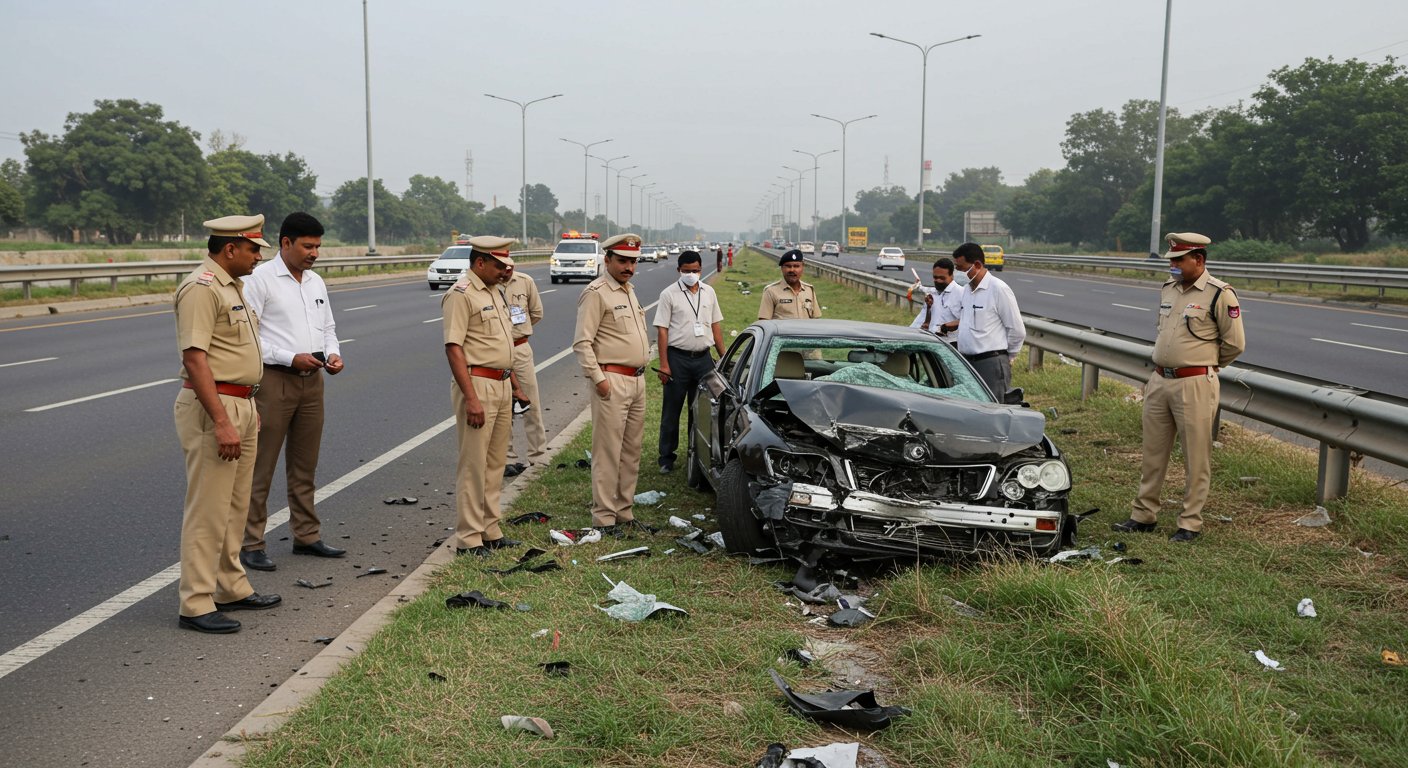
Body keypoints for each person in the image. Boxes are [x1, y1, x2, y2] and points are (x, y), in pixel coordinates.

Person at [172, 214, 282, 634]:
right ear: (230, 248)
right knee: (208, 508)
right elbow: (195, 358)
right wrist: (221, 420)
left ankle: (230, 585)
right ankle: (196, 602)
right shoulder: (201, 288)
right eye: (254, 249)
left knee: (235, 505)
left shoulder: (232, 287)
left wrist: (247, 406)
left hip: (241, 404)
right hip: (214, 406)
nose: (259, 256)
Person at [1114, 232, 1245, 543]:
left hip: (1195, 383)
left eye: (1178, 260)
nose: (1172, 266)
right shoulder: (1169, 290)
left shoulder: (1219, 294)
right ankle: (1143, 514)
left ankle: (1190, 522)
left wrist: (1204, 367)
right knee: (1152, 452)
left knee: (1196, 456)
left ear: (1198, 260)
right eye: (1170, 260)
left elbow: (1235, 344)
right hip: (1160, 379)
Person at [238, 212, 345, 572]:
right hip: (274, 379)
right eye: (307, 246)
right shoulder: (260, 280)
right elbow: (251, 338)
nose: (314, 253)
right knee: (261, 466)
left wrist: (333, 353)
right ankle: (251, 542)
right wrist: (289, 357)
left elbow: (328, 326)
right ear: (285, 243)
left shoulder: (315, 282)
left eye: (318, 246)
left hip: (312, 380)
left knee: (305, 464)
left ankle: (307, 535)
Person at [442, 236, 527, 557]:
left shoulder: (495, 291)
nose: (505, 271)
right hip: (478, 385)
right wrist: (472, 399)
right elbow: (454, 348)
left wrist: (516, 385)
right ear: (480, 263)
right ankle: (469, 538)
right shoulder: (461, 295)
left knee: (495, 463)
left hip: (502, 384)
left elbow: (505, 344)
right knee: (474, 464)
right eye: (499, 266)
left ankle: (490, 529)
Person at [573, 233, 653, 535]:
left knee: (631, 451)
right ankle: (604, 517)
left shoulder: (629, 291)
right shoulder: (597, 292)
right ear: (607, 260)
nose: (628, 267)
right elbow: (582, 343)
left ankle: (624, 511)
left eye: (632, 261)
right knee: (608, 452)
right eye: (622, 260)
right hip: (612, 380)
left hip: (636, 381)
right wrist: (599, 380)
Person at [653, 250, 726, 474]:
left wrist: (723, 357)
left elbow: (715, 326)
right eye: (686, 271)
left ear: (701, 269)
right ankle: (666, 457)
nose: (691, 275)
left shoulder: (709, 292)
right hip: (677, 360)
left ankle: (697, 454)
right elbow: (662, 331)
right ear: (679, 271)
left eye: (695, 270)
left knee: (701, 412)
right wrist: (664, 364)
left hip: (703, 360)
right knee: (671, 411)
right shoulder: (669, 294)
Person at [943, 242, 1025, 399]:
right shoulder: (967, 290)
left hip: (991, 363)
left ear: (977, 265)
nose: (958, 272)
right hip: (968, 363)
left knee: (993, 409)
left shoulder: (998, 289)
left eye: (961, 268)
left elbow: (1017, 330)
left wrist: (1008, 357)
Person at [502, 261, 547, 475]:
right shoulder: (488, 285)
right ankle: (506, 458)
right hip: (496, 352)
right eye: (503, 266)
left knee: (530, 402)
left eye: (510, 266)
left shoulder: (525, 282)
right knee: (503, 407)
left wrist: (521, 330)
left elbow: (536, 313)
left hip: (520, 349)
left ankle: (538, 456)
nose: (507, 270)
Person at [910, 257, 962, 346]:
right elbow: (924, 322)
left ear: (951, 276)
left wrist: (946, 327)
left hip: (952, 345)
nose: (938, 281)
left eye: (942, 278)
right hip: (932, 341)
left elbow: (968, 321)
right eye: (935, 277)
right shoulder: (932, 294)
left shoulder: (961, 294)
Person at [758, 249, 821, 320]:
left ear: (802, 268)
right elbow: (764, 322)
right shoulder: (771, 291)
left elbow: (816, 320)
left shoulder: (809, 290)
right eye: (788, 266)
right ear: (782, 268)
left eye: (796, 266)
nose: (792, 270)